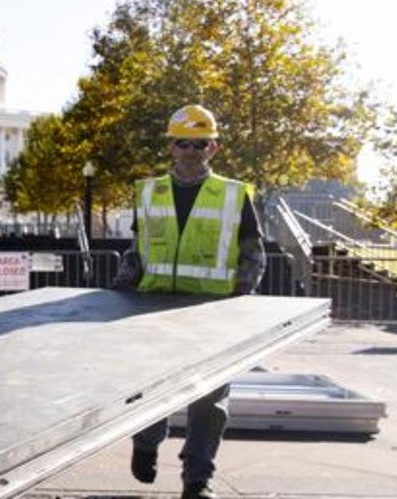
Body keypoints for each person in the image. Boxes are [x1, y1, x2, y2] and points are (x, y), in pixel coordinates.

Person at [109, 104, 266, 499]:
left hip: (212, 313)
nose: (191, 150)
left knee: (209, 403)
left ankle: (198, 479)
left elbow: (253, 253)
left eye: (201, 143)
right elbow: (137, 250)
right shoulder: (148, 191)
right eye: (183, 143)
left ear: (214, 148)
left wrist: (240, 299)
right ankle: (146, 441)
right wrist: (117, 296)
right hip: (151, 310)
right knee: (148, 388)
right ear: (171, 147)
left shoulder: (233, 194)